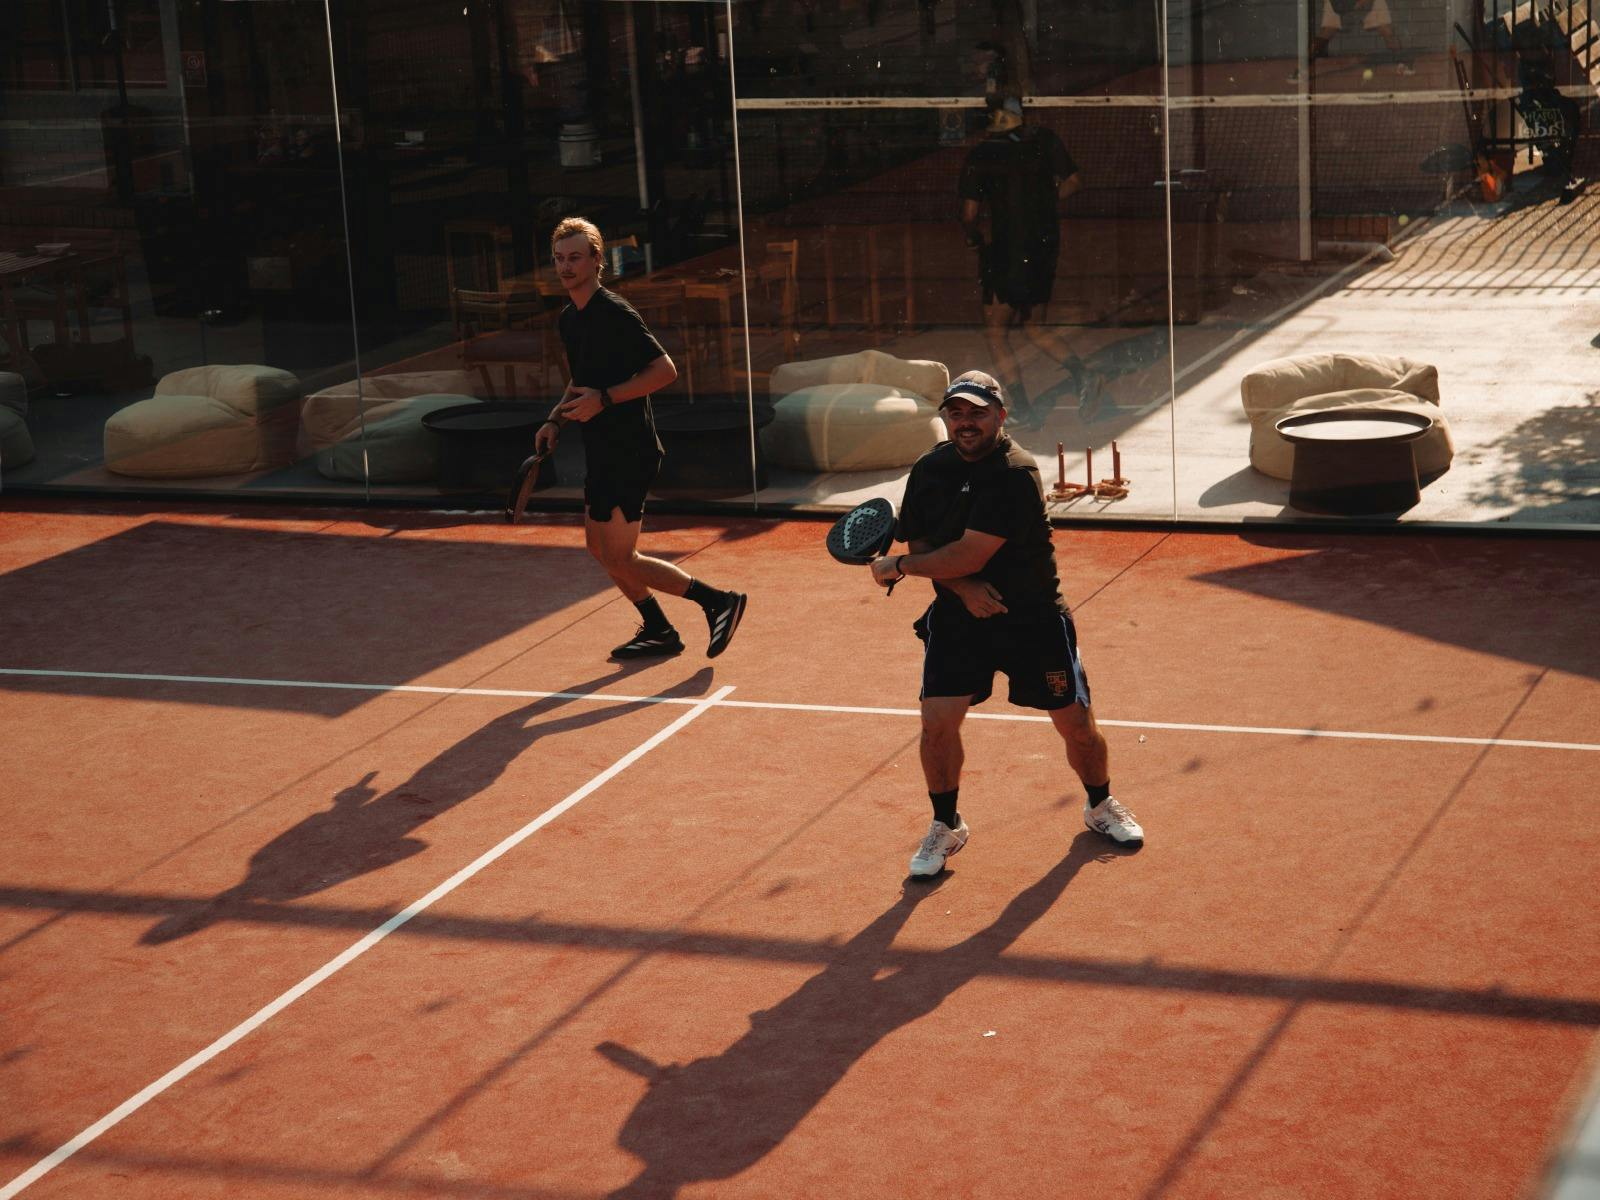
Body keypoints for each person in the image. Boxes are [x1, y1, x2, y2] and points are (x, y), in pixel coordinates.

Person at [869, 370, 1144, 876]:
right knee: (936, 725)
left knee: (1077, 727)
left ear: (1000, 415)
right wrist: (963, 589)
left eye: (977, 412)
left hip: (1032, 620)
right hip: (959, 619)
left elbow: (967, 553)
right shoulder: (930, 468)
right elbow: (927, 544)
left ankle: (1100, 806)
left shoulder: (1015, 473)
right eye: (956, 412)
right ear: (946, 417)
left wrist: (901, 568)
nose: (966, 422)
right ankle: (946, 826)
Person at [532, 217, 747, 661]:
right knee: (599, 548)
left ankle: (718, 601)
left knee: (621, 556)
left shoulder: (615, 312)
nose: (566, 266)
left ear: (596, 260)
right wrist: (555, 419)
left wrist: (606, 400)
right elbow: (582, 379)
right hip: (601, 446)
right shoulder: (570, 319)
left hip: (629, 448)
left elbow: (665, 371)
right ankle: (658, 628)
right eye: (559, 258)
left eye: (575, 257)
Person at [957, 95, 1103, 429]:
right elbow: (1074, 181)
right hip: (1043, 248)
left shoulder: (980, 155)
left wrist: (973, 235)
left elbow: (969, 213)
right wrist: (1042, 208)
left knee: (996, 331)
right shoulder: (1045, 140)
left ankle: (1023, 408)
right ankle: (1084, 375)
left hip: (1004, 253)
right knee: (1034, 323)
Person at [1293, 0, 1415, 79]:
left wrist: (1359, 4)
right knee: (1326, 33)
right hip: (1340, 3)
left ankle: (1403, 63)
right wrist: (1349, 9)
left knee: (1387, 30)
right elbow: (1338, 7)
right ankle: (1300, 70)